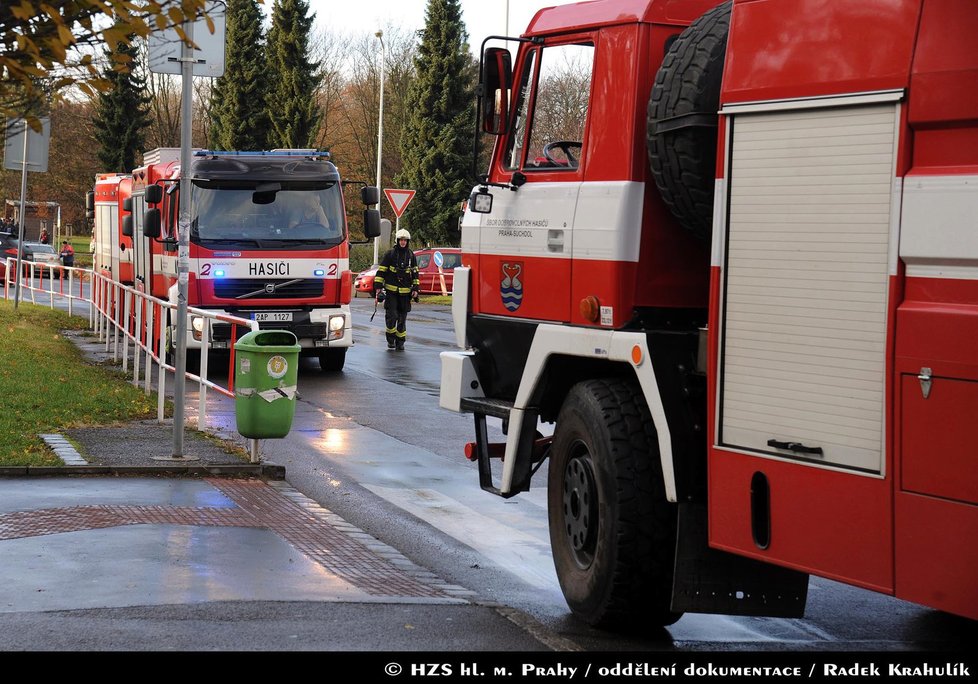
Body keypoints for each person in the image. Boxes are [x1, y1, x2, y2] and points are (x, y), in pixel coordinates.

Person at [374, 229, 420, 350]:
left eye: (405, 240)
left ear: (407, 241)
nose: (403, 242)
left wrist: (415, 288)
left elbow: (415, 274)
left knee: (402, 319)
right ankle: (391, 340)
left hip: (405, 295)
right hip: (391, 293)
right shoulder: (390, 254)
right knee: (392, 316)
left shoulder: (411, 256)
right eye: (401, 240)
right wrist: (378, 287)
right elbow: (381, 271)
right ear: (398, 241)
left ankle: (400, 342)